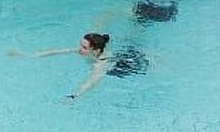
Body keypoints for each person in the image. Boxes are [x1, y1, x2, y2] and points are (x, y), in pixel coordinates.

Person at [17, 30, 145, 100]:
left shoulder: (100, 64)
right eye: (81, 45)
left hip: (124, 67)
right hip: (121, 55)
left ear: (95, 50)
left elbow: (92, 81)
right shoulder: (87, 51)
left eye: (84, 47)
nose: (79, 49)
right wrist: (30, 55)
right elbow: (57, 52)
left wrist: (75, 95)